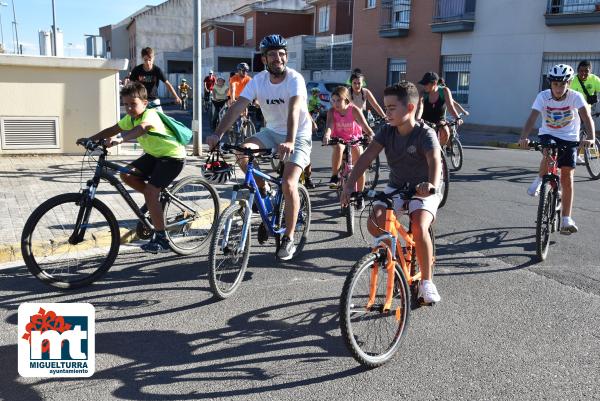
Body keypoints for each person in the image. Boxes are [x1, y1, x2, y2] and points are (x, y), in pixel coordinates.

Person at [207, 34, 312, 261]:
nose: (278, 58)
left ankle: (289, 238)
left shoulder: (295, 79)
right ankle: (263, 190)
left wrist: (291, 140)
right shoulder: (258, 81)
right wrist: (217, 133)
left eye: (282, 54)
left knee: (289, 183)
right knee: (242, 152)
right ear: (264, 59)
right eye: (273, 55)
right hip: (271, 132)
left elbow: (294, 109)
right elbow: (236, 109)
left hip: (298, 133)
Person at [340, 81, 443, 304]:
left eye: (391, 108)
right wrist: (349, 185)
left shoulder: (425, 133)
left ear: (410, 108)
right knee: (374, 222)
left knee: (418, 224)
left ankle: (426, 282)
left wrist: (431, 186)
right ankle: (395, 262)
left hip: (423, 189)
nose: (386, 113)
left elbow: (434, 160)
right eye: (385, 108)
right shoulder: (387, 131)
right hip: (397, 186)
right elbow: (366, 157)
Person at [77, 82, 186, 253]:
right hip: (154, 155)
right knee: (126, 175)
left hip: (172, 157)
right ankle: (154, 202)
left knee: (151, 192)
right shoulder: (130, 118)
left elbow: (142, 129)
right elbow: (113, 129)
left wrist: (120, 140)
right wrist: (90, 139)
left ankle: (162, 238)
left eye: (132, 104)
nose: (128, 108)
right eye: (125, 104)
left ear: (144, 102)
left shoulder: (150, 115)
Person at [518, 64, 596, 234]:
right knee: (548, 152)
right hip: (549, 133)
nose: (559, 88)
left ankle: (566, 219)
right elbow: (532, 118)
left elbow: (586, 116)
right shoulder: (543, 96)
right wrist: (523, 137)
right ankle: (540, 180)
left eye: (562, 84)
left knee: (567, 176)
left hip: (570, 137)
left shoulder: (576, 97)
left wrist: (590, 137)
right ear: (550, 84)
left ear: (569, 83)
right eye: (555, 84)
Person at [322, 85, 374, 209]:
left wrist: (371, 134)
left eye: (338, 100)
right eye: (333, 100)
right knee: (339, 147)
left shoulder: (354, 110)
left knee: (359, 165)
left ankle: (360, 195)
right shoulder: (331, 112)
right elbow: (330, 125)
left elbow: (365, 126)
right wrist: (327, 135)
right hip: (338, 139)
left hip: (354, 139)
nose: (335, 104)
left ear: (346, 100)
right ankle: (335, 176)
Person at [416, 71, 462, 146]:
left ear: (434, 83)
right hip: (425, 119)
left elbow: (450, 106)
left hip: (439, 119)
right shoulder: (423, 93)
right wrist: (418, 118)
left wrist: (457, 118)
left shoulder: (444, 91)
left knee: (446, 132)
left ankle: (439, 150)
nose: (424, 86)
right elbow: (420, 107)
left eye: (426, 84)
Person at [129, 47, 181, 112]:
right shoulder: (137, 70)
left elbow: (167, 84)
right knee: (135, 118)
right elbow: (130, 84)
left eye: (150, 60)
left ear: (153, 58)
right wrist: (130, 98)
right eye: (145, 60)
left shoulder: (157, 70)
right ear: (142, 59)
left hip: (154, 101)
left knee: (162, 119)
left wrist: (176, 97)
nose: (148, 62)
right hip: (141, 100)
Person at [569, 60, 600, 164]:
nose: (583, 74)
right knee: (576, 133)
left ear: (590, 71)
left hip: (586, 111)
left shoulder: (594, 79)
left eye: (586, 71)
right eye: (581, 71)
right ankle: (571, 153)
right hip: (572, 111)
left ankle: (591, 154)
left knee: (589, 132)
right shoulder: (572, 79)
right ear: (577, 71)